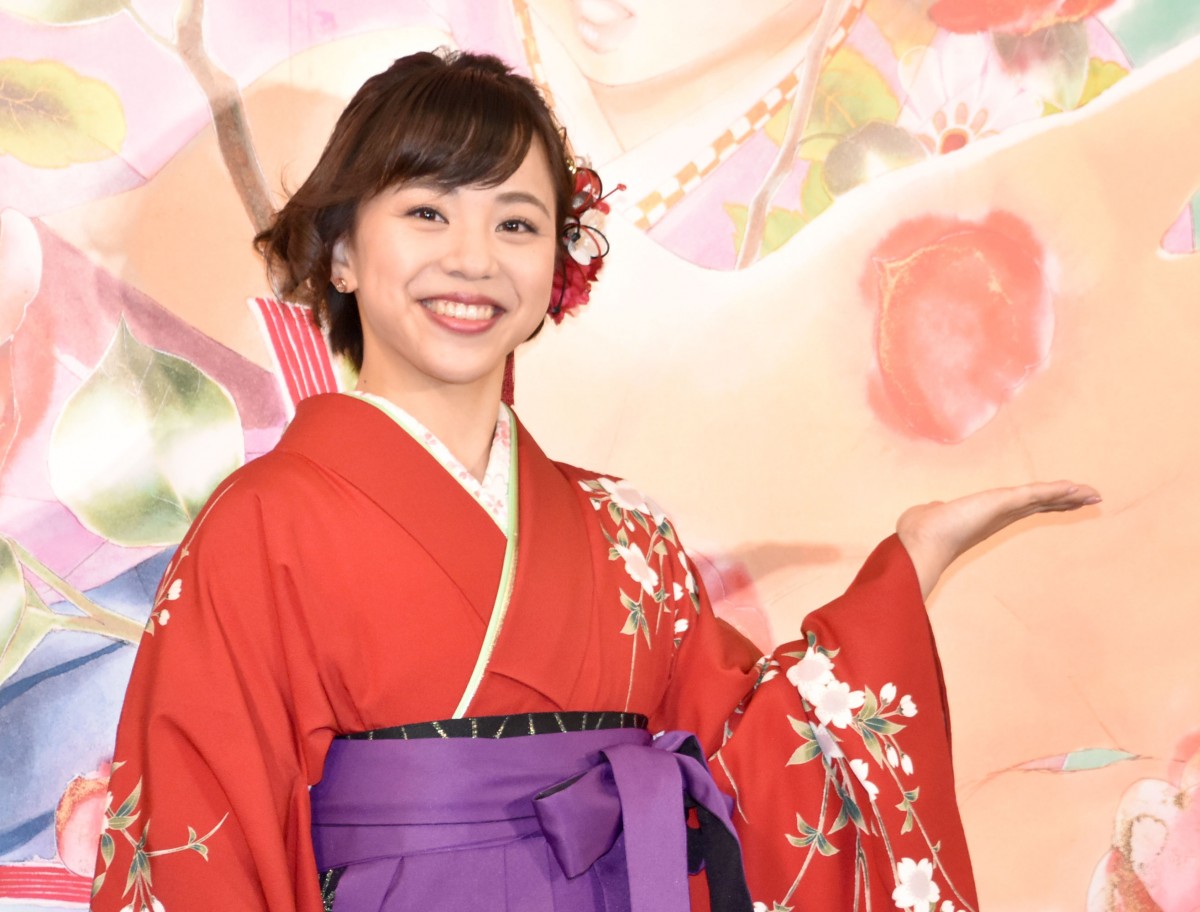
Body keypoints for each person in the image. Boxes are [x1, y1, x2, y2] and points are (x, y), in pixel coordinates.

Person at [88, 49, 1099, 912]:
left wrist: (914, 559)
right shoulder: (263, 525)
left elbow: (748, 765)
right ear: (343, 251)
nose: (473, 259)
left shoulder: (625, 531)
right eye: (428, 213)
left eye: (516, 224)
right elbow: (200, 831)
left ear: (554, 270)